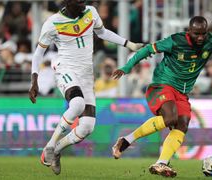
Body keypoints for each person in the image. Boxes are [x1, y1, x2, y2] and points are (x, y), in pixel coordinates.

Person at [111, 16, 212, 177]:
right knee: (170, 118)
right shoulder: (175, 41)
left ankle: (161, 163)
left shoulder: (211, 41)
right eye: (196, 34)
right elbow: (147, 50)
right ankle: (127, 140)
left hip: (182, 92)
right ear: (189, 31)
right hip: (163, 84)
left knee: (183, 125)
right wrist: (127, 67)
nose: (200, 38)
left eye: (203, 33)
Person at [28, 0, 143, 175]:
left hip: (87, 75)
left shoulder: (91, 12)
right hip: (66, 69)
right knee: (77, 104)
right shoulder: (53, 23)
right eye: (79, 1)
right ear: (67, 2)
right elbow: (38, 54)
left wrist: (129, 44)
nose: (84, 3)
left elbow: (103, 33)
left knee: (87, 127)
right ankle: (49, 147)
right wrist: (34, 80)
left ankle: (57, 150)